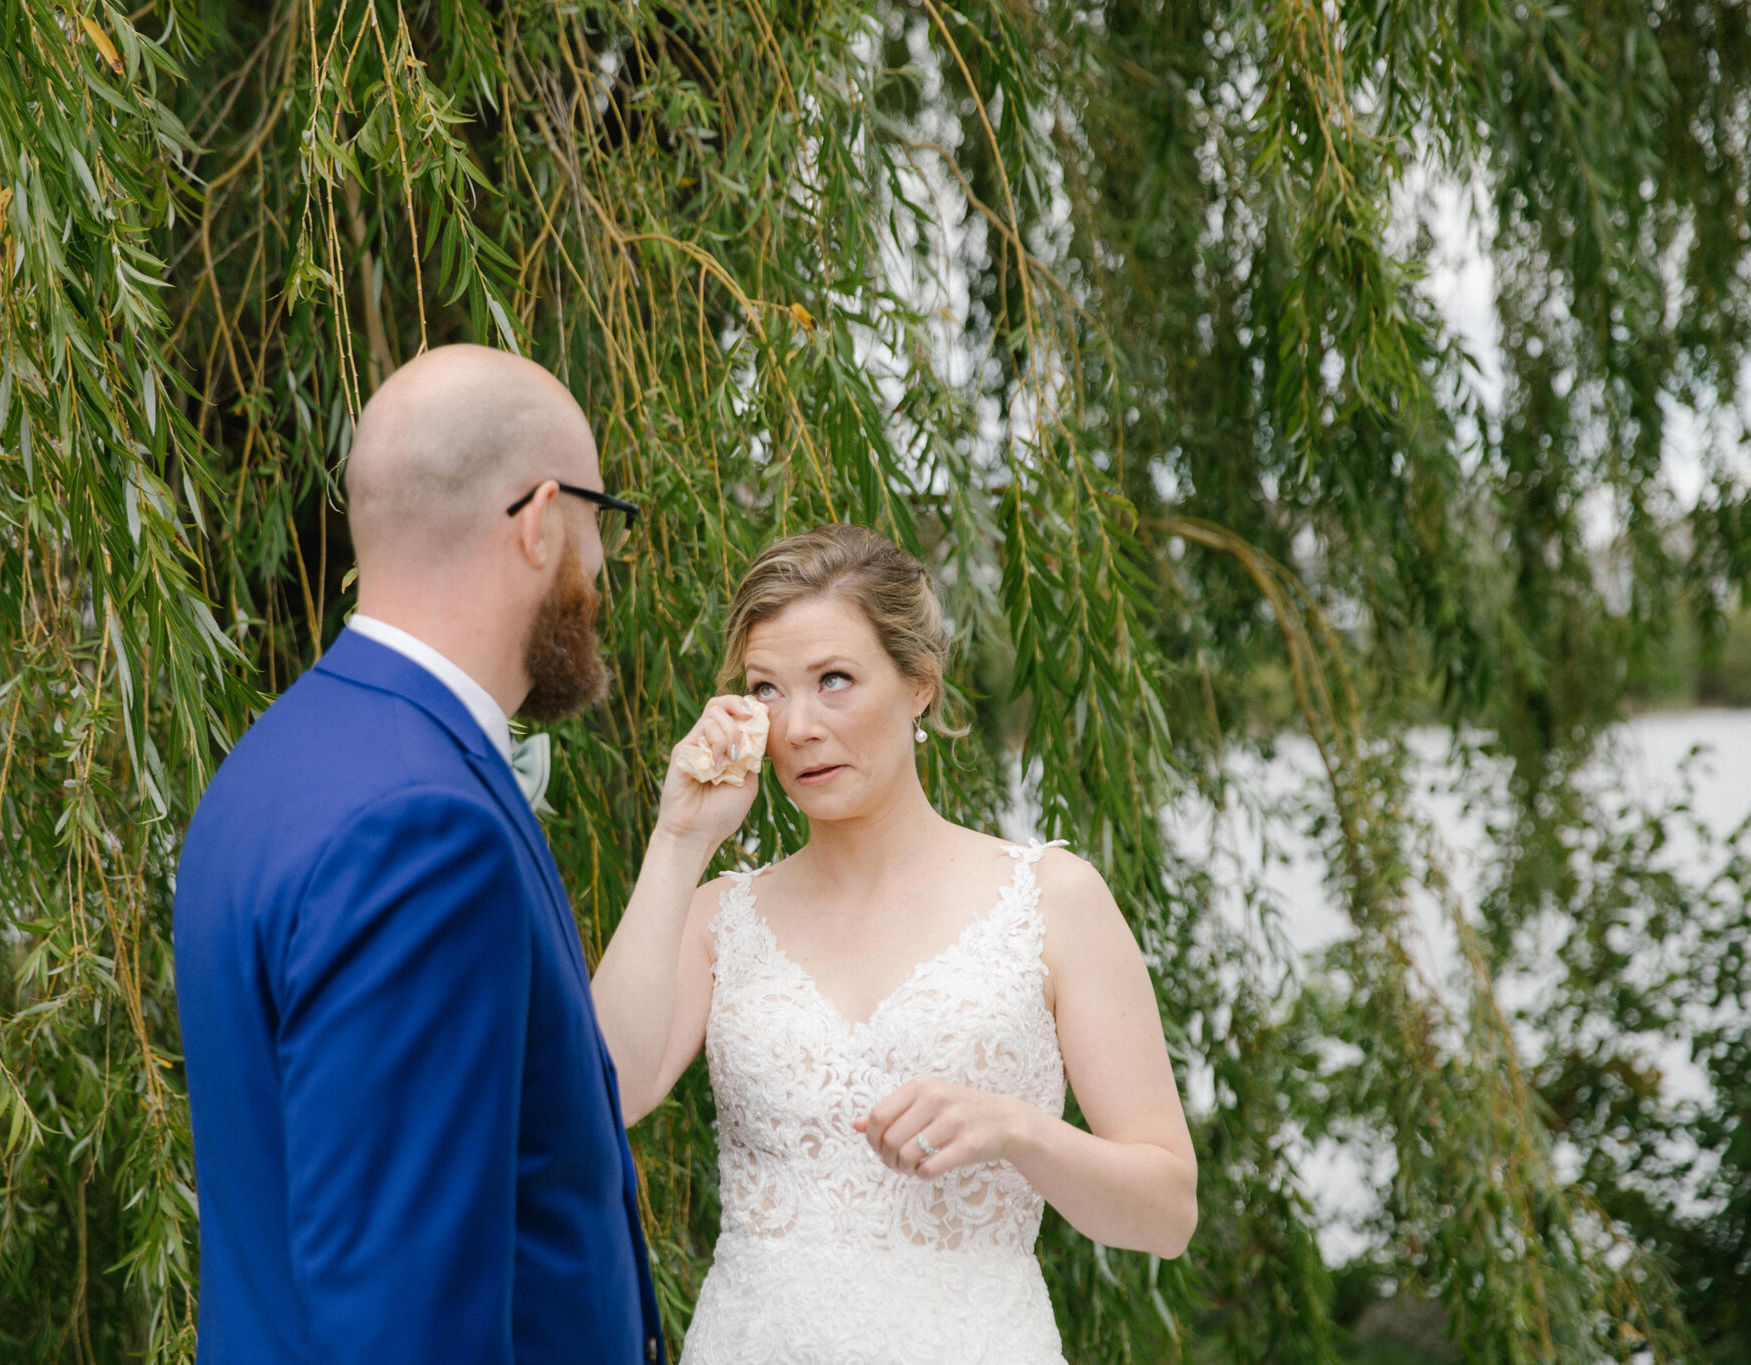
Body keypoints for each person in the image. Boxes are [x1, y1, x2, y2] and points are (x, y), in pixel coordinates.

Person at [590, 524, 1197, 1363]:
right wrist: (678, 838)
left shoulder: (1052, 899)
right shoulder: (717, 916)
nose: (798, 725)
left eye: (834, 680)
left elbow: (1167, 1212)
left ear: (920, 683)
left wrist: (1021, 1130)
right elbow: (599, 1097)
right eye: (767, 690)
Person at [173, 345, 662, 1365]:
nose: (601, 567)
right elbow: (408, 1322)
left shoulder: (269, 769)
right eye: (599, 523)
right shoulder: (424, 829)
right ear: (536, 520)